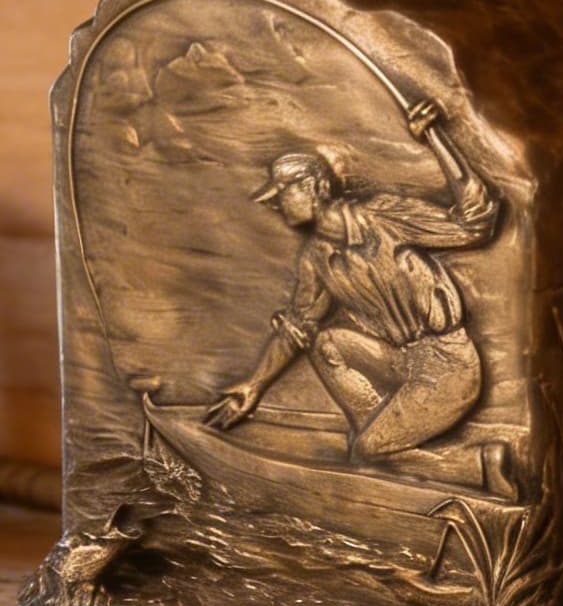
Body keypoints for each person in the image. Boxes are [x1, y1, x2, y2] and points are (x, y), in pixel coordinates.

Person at [206, 97, 500, 459]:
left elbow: (473, 225)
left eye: (283, 192)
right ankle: (382, 439)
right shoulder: (317, 258)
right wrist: (253, 387)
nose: (277, 203)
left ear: (312, 186)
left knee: (368, 452)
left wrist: (435, 139)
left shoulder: (381, 217)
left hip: (448, 363)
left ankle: (477, 464)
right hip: (403, 359)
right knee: (325, 342)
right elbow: (298, 327)